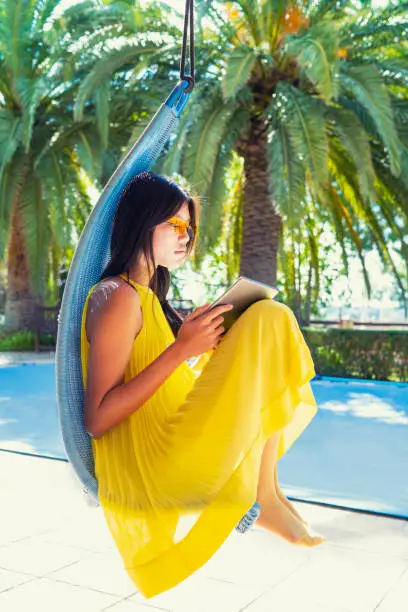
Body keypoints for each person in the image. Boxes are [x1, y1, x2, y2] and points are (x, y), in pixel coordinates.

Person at [80, 172, 325, 600]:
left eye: (189, 228)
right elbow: (98, 419)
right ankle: (264, 495)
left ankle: (267, 491)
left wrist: (201, 344)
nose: (185, 237)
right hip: (152, 465)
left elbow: (159, 375)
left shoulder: (146, 296)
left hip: (172, 435)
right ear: (141, 222)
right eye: (174, 225)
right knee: (269, 318)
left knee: (262, 316)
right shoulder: (116, 295)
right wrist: (180, 351)